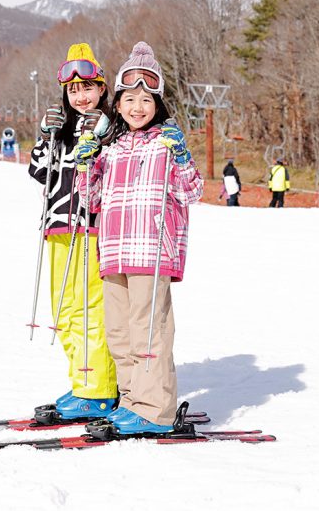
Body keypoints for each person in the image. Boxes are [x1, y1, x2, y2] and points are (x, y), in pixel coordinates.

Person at [75, 42, 203, 435]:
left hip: (151, 251)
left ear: (158, 103)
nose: (137, 107)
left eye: (146, 100)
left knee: (150, 331)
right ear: (118, 103)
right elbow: (92, 199)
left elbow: (192, 191)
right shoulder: (111, 147)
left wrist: (181, 156)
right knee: (120, 332)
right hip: (113, 251)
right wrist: (86, 166)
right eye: (129, 99)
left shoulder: (166, 143)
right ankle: (131, 400)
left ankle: (155, 410)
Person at [28, 42, 119, 421]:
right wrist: (47, 136)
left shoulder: (112, 127)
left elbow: (118, 168)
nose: (81, 97)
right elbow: (37, 171)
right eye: (73, 90)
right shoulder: (60, 129)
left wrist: (100, 137)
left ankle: (98, 389)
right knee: (65, 311)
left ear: (101, 88)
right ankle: (83, 383)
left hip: (92, 228)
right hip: (59, 229)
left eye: (88, 88)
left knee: (90, 310)